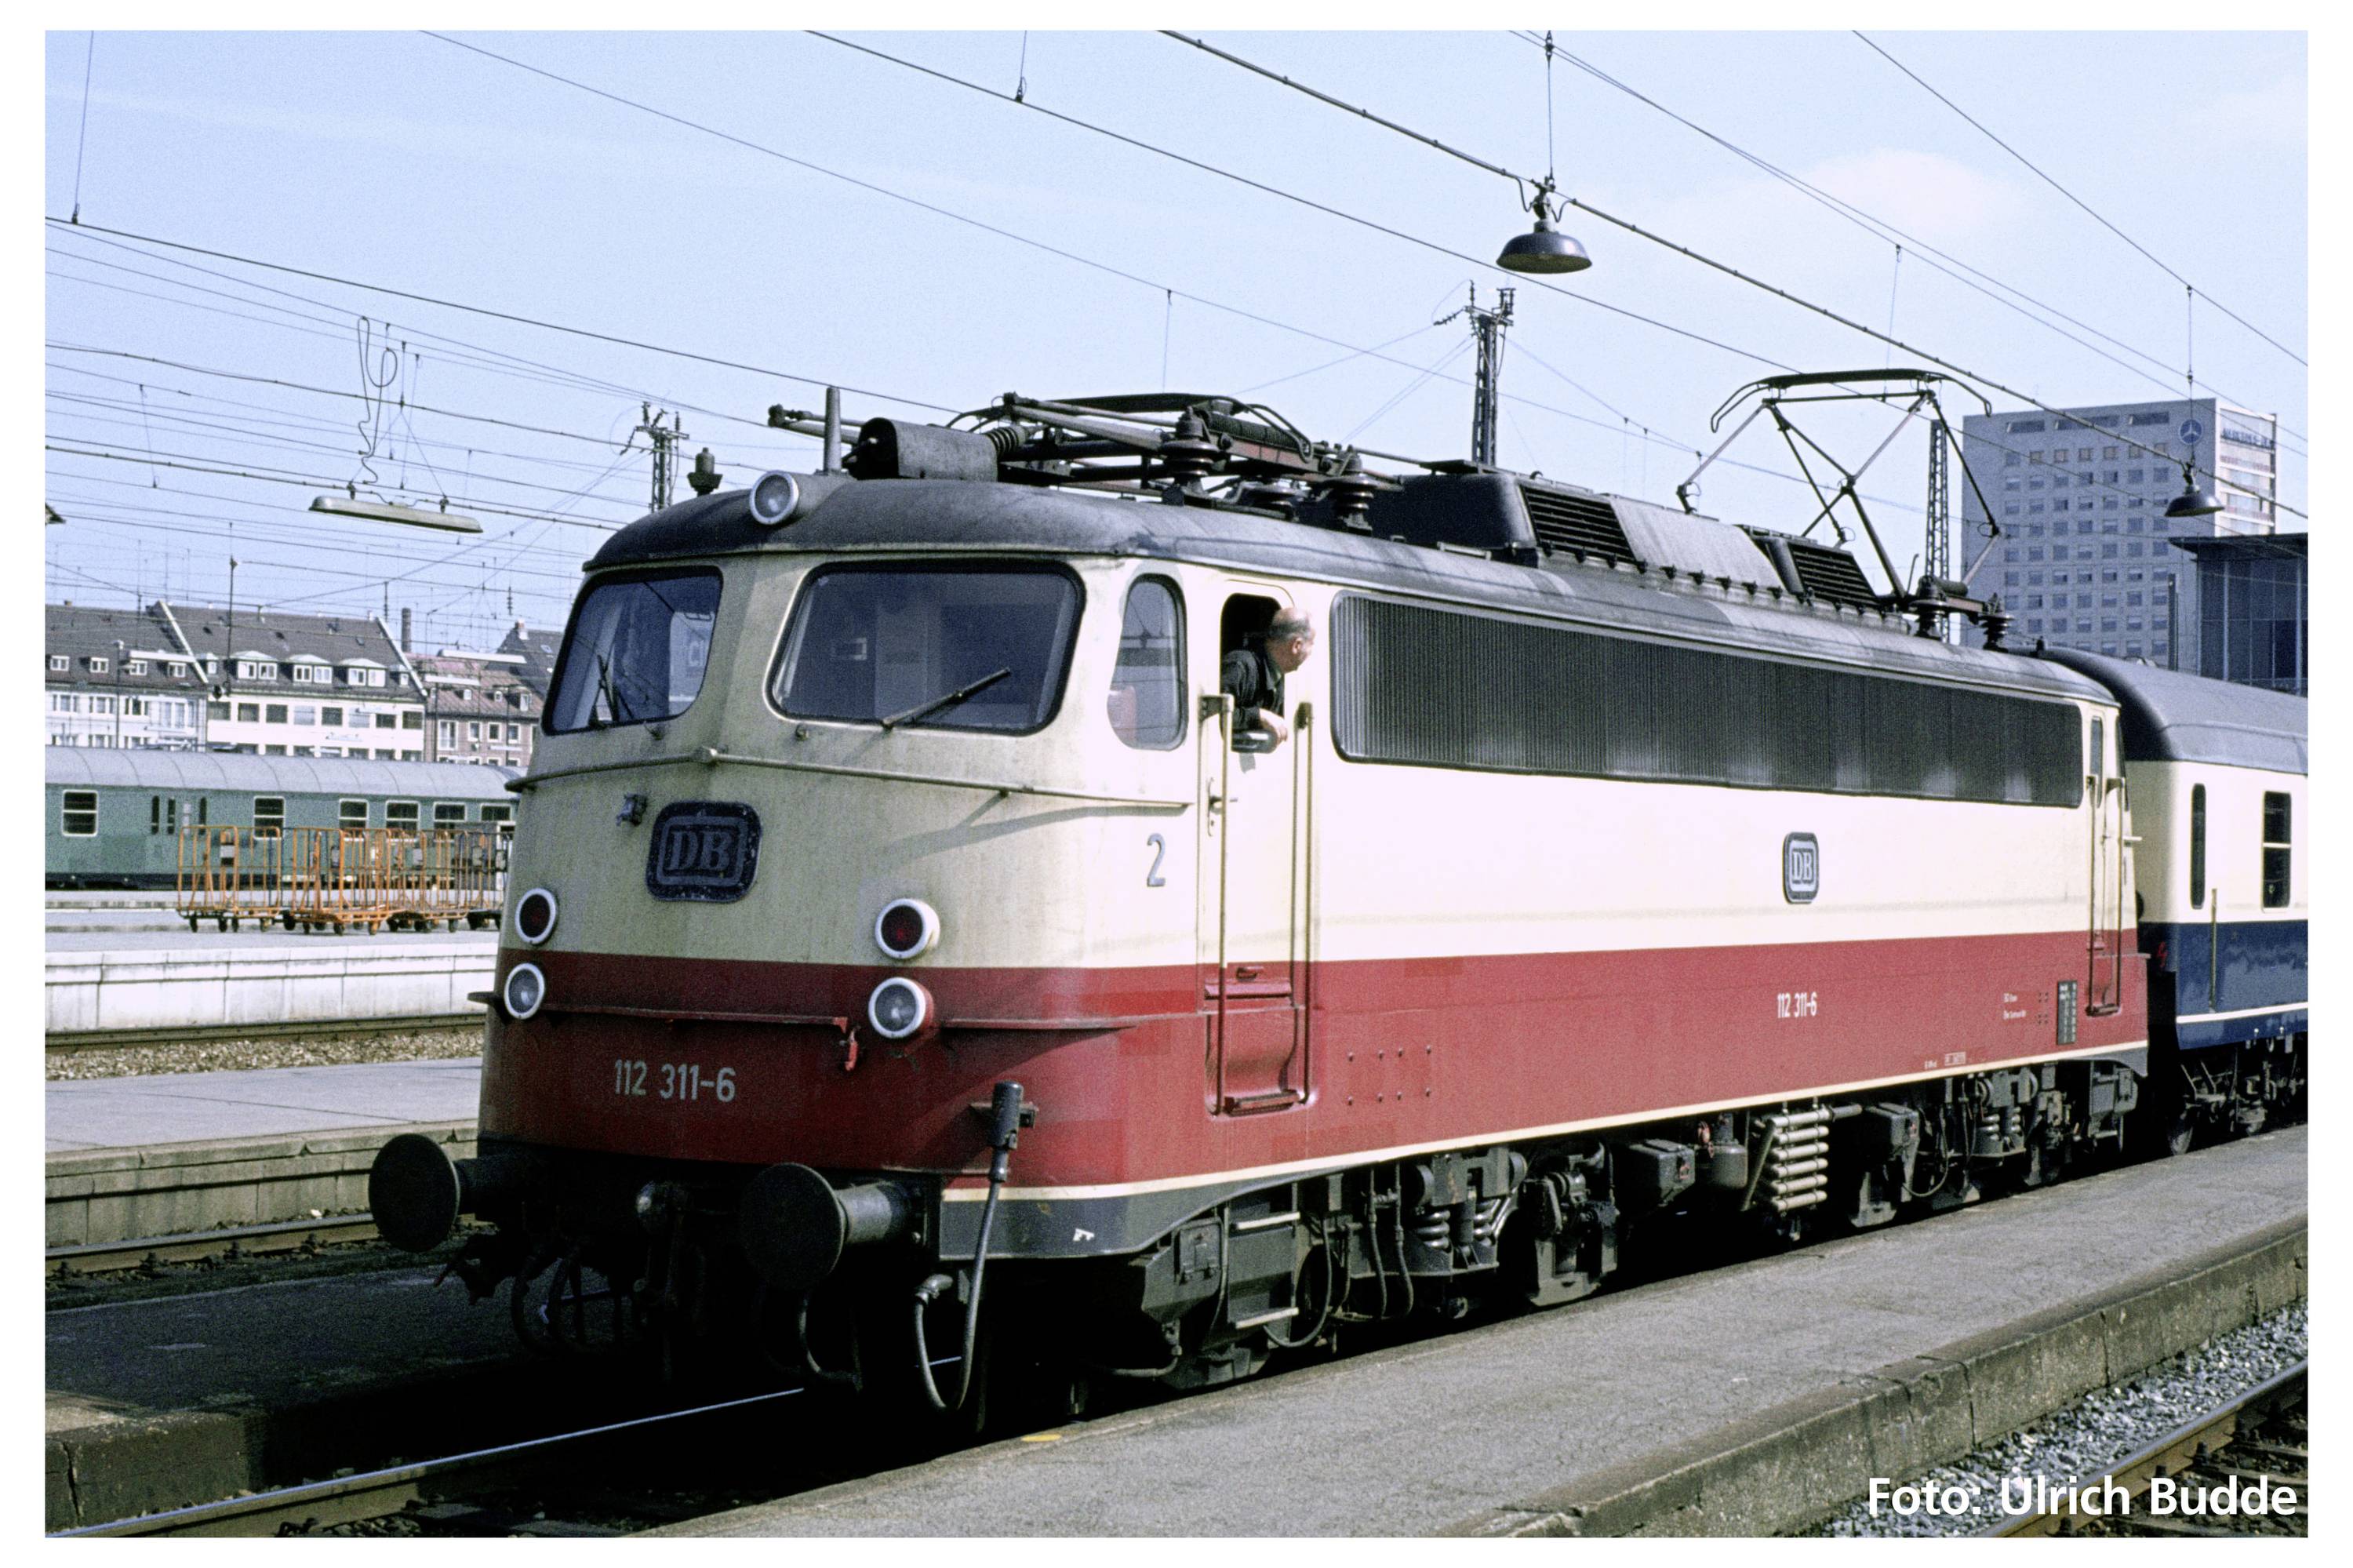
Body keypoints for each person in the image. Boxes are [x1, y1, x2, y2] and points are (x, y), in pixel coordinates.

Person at [1220, 608, 1314, 750]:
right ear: (1297, 645)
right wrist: (1258, 716)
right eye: (1311, 644)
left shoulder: (1278, 676)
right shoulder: (1241, 667)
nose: (1311, 653)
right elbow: (1212, 718)